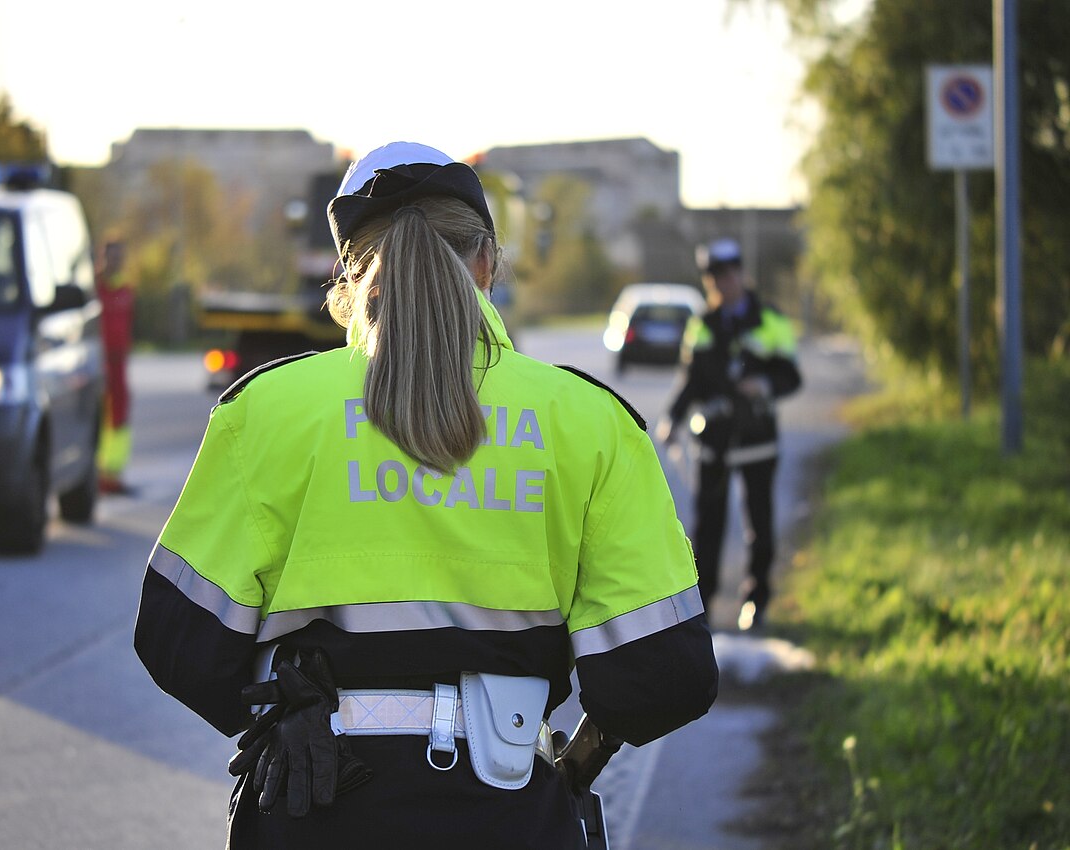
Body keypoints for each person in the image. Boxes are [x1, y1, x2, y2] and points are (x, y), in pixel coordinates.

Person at [134, 141, 718, 849]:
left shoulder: (268, 410)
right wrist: (574, 763)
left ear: (347, 278)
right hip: (509, 816)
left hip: (315, 814)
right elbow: (664, 675)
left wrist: (280, 701)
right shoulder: (589, 421)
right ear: (487, 264)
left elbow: (176, 640)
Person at [657, 238, 802, 631]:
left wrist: (765, 385)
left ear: (742, 274)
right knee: (707, 528)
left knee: (760, 523)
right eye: (715, 278)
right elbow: (690, 380)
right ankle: (703, 606)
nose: (723, 283)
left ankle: (756, 602)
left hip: (757, 439)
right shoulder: (702, 324)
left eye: (729, 274)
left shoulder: (770, 319)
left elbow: (792, 376)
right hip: (714, 442)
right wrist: (672, 418)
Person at [95, 237, 134, 494]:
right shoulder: (94, 289)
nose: (116, 261)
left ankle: (114, 474)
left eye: (120, 256)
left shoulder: (127, 291)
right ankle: (96, 474)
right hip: (97, 363)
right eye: (112, 256)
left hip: (119, 364)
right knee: (97, 416)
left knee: (119, 416)